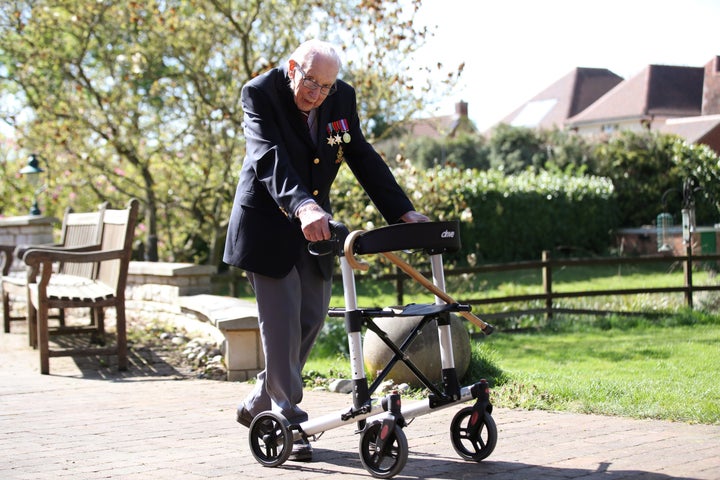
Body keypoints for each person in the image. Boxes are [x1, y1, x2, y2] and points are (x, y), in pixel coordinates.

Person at [223, 39, 428, 462]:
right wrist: (302, 205)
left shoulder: (342, 98)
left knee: (312, 318)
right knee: (280, 325)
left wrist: (402, 211)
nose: (317, 94)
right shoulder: (259, 93)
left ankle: (260, 401)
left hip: (317, 230)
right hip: (267, 224)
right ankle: (288, 416)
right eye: (311, 83)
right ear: (292, 67)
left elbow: (360, 154)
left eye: (326, 87)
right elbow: (268, 157)